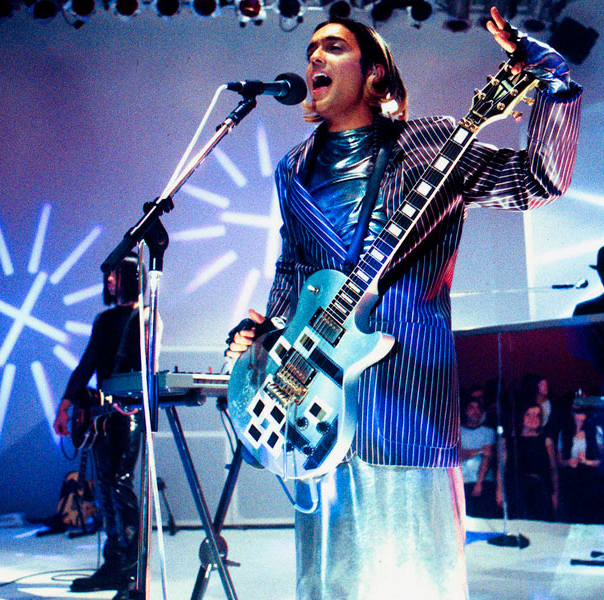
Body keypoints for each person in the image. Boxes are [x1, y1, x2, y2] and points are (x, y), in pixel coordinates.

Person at [224, 9, 580, 598]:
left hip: (406, 391)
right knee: (328, 581)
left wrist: (555, 81)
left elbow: (536, 180)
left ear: (374, 72)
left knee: (417, 578)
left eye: (333, 47)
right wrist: (268, 332)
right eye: (310, 50)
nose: (314, 58)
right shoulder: (291, 168)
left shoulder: (432, 143)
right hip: (313, 403)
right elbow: (293, 269)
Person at [53, 256, 146, 594]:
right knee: (106, 486)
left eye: (115, 275)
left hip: (129, 412)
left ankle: (131, 571)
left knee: (120, 484)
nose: (109, 280)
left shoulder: (145, 316)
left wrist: (131, 399)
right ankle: (114, 562)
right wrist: (65, 406)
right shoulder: (104, 319)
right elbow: (87, 364)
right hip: (104, 415)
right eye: (107, 275)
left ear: (131, 277)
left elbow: (147, 364)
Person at [497, 404, 559, 521]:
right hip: (515, 491)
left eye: (537, 415)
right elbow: (501, 467)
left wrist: (555, 493)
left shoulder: (546, 441)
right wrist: (499, 491)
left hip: (540, 491)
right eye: (529, 415)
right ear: (521, 417)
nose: (533, 419)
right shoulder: (508, 441)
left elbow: (553, 469)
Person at [460, 391, 498, 518]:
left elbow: (487, 458)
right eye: (471, 408)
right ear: (466, 411)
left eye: (478, 408)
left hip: (482, 483)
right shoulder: (457, 431)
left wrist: (479, 483)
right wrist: (480, 450)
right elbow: (459, 454)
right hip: (463, 482)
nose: (475, 411)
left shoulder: (489, 432)